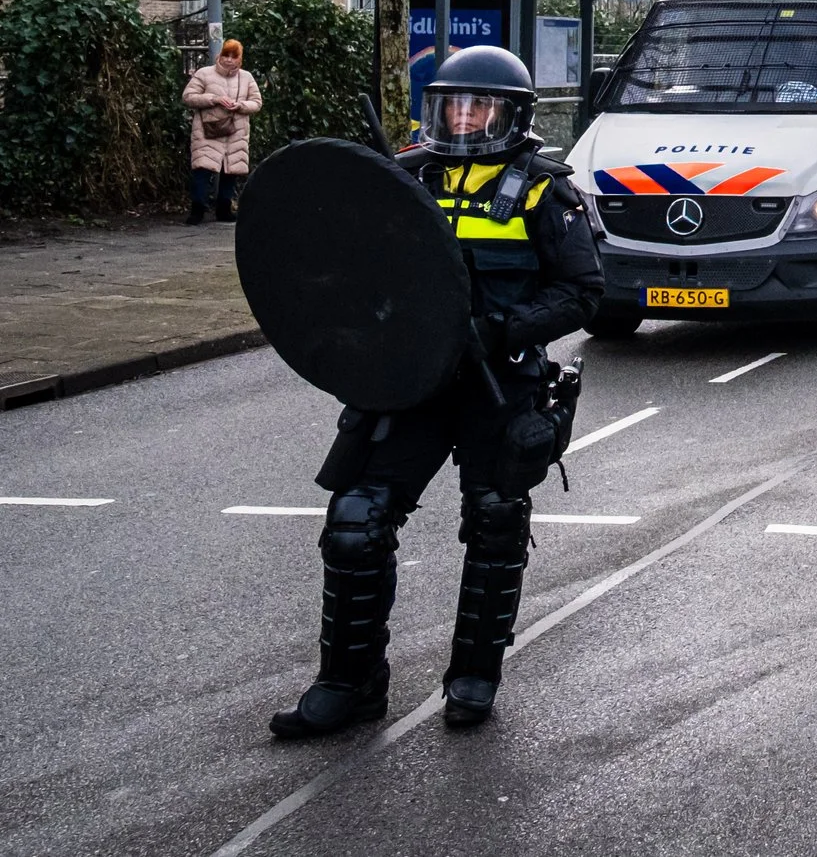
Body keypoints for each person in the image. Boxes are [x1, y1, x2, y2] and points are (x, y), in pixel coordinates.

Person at [271, 45, 600, 738]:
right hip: (412, 382)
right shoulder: (406, 177)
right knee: (356, 520)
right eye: (451, 102)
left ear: (509, 112)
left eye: (477, 104)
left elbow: (582, 292)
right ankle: (348, 683)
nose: (462, 115)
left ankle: (474, 677)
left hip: (498, 381)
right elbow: (353, 272)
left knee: (494, 520)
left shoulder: (545, 188)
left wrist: (504, 326)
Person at [183, 39, 263, 224]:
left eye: (234, 56)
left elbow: (257, 102)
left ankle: (224, 210)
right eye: (226, 55)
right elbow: (188, 97)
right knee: (202, 170)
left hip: (235, 131)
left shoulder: (246, 77)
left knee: (230, 171)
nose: (229, 60)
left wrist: (240, 105)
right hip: (207, 130)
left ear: (239, 59)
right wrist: (214, 99)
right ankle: (197, 210)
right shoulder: (204, 74)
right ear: (220, 56)